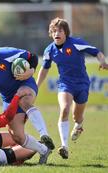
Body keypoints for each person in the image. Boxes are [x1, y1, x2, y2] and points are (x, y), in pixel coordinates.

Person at [0, 39, 55, 163]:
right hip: (9, 99)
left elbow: (32, 57)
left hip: (26, 84)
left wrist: (30, 71)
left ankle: (44, 134)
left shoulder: (5, 54)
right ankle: (44, 150)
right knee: (18, 137)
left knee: (23, 101)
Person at [36, 17, 108, 159]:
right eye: (54, 31)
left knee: (77, 116)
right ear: (51, 33)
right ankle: (64, 146)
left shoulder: (76, 43)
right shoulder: (49, 50)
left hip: (82, 84)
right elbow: (44, 69)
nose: (57, 33)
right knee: (65, 109)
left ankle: (79, 125)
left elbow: (96, 51)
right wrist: (36, 86)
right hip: (65, 84)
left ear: (66, 33)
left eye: (60, 31)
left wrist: (103, 61)